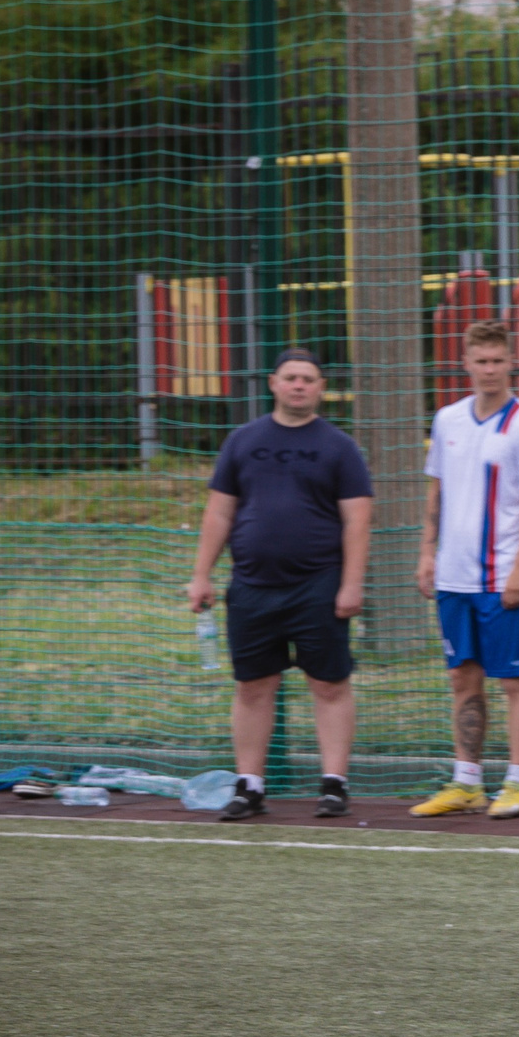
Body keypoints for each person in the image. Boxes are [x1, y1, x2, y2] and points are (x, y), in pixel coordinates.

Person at [185, 348, 374, 821]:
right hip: (251, 587)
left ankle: (334, 784)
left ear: (321, 389)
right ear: (273, 383)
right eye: (291, 377)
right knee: (253, 686)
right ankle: (249, 786)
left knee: (329, 684)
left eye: (309, 379)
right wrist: (201, 574)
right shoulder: (242, 441)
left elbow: (357, 521)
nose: (299, 385)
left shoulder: (339, 447)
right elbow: (219, 512)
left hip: (319, 587)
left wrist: (351, 584)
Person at [411, 320, 519, 820]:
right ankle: (467, 781)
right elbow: (437, 490)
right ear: (466, 363)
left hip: (502, 579)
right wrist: (427, 552)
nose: (490, 370)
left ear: (511, 362)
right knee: (461, 678)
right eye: (481, 361)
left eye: (498, 360)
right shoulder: (447, 420)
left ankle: (518, 782)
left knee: (515, 682)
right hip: (454, 577)